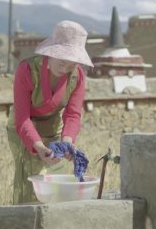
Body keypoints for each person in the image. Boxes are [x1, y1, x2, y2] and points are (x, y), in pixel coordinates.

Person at [6, 20, 93, 203]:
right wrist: (38, 147)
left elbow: (73, 115)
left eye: (71, 65)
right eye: (62, 63)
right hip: (23, 127)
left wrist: (67, 142)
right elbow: (23, 118)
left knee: (55, 182)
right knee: (31, 180)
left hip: (52, 127)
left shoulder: (77, 76)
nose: (65, 70)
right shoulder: (27, 70)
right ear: (51, 53)